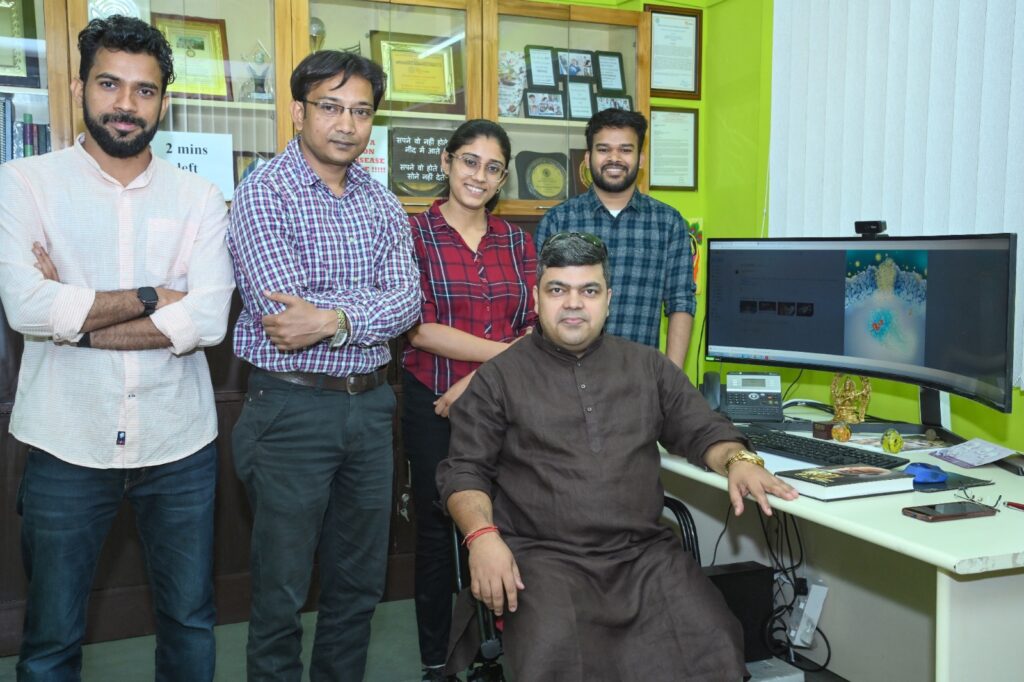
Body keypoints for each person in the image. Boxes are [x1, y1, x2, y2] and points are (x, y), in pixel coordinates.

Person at [437, 233, 798, 680]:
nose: (573, 304)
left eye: (588, 291)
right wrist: (482, 538)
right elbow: (464, 470)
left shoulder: (647, 367)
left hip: (643, 555)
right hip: (544, 560)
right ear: (537, 298)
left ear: (608, 299)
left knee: (715, 643)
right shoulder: (497, 379)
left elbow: (703, 430)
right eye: (558, 290)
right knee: (553, 659)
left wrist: (739, 461)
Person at [0, 15, 235, 680]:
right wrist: (155, 296)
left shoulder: (199, 197)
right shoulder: (22, 183)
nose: (126, 104)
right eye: (110, 84)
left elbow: (211, 319)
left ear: (164, 100)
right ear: (79, 88)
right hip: (65, 441)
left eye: (144, 90)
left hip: (179, 444)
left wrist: (74, 310)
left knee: (189, 623)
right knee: (50, 638)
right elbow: (26, 307)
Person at [227, 50, 420, 682]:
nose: (346, 124)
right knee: (282, 594)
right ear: (298, 111)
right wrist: (362, 315)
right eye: (330, 107)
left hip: (370, 407)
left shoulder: (382, 202)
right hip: (291, 408)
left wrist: (332, 319)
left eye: (361, 111)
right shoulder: (264, 192)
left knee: (357, 587)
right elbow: (283, 318)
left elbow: (408, 300)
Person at [402, 119, 537, 681]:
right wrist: (494, 360)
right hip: (432, 399)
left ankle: (510, 647)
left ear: (503, 176)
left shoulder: (518, 241)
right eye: (469, 161)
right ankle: (439, 659)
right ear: (446, 161)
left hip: (504, 404)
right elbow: (418, 329)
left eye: (492, 167)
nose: (478, 176)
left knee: (506, 519)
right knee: (438, 529)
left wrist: (477, 379)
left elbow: (538, 326)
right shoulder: (414, 234)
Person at [534, 108, 697, 367]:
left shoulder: (668, 224)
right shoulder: (558, 221)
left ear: (641, 159)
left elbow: (681, 303)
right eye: (603, 149)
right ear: (587, 158)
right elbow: (540, 303)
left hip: (639, 379)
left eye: (625, 149)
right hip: (564, 376)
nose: (614, 158)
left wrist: (671, 382)